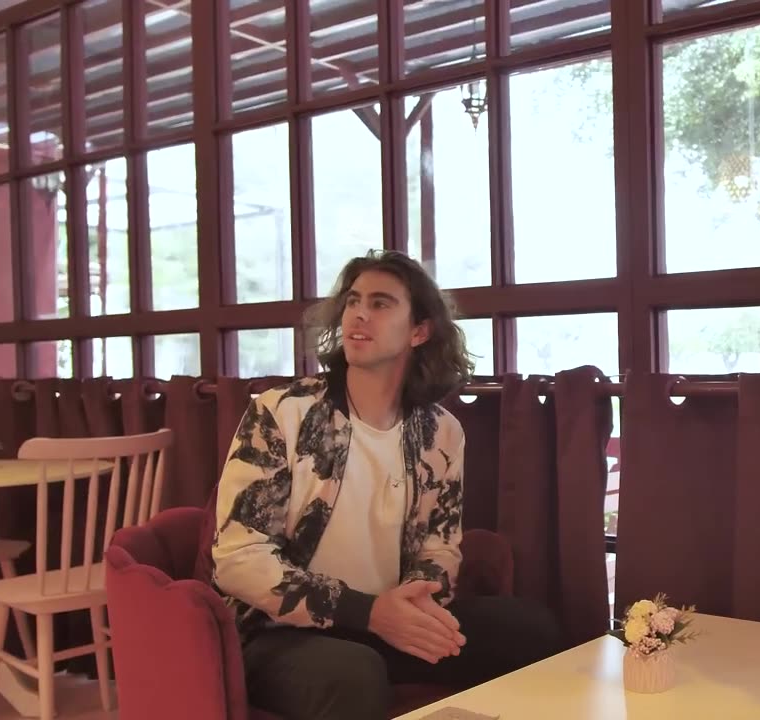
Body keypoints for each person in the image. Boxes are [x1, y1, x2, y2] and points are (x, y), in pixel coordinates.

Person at [211, 250, 561, 720]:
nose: (358, 313)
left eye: (380, 303)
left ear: (419, 331)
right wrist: (367, 612)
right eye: (353, 301)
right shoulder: (282, 411)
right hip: (278, 633)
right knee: (353, 673)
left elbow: (440, 547)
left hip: (385, 621)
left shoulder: (441, 433)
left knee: (529, 629)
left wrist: (414, 601)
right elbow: (238, 558)